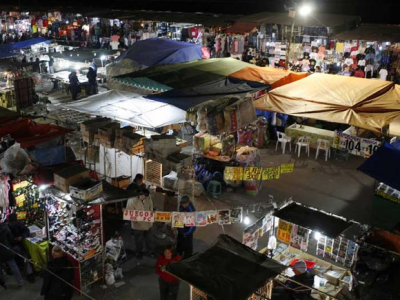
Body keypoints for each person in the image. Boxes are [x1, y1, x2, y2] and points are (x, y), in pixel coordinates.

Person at [126, 189, 155, 259]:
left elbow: (151, 206)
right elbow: (129, 212)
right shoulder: (132, 200)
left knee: (149, 239)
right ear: (140, 195)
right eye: (144, 196)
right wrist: (134, 219)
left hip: (148, 223)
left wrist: (151, 216)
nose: (145, 198)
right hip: (138, 225)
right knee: (139, 240)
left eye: (146, 196)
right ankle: (138, 252)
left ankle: (150, 252)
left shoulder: (148, 198)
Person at [7, 213, 35, 283]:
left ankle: (30, 274)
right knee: (20, 258)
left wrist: (22, 236)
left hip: (17, 245)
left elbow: (26, 231)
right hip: (10, 246)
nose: (12, 223)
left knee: (24, 258)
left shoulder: (18, 224)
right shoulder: (6, 227)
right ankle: (28, 274)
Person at [0, 221, 24, 287]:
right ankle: (20, 281)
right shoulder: (4, 226)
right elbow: (11, 239)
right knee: (13, 265)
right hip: (6, 249)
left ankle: (3, 283)